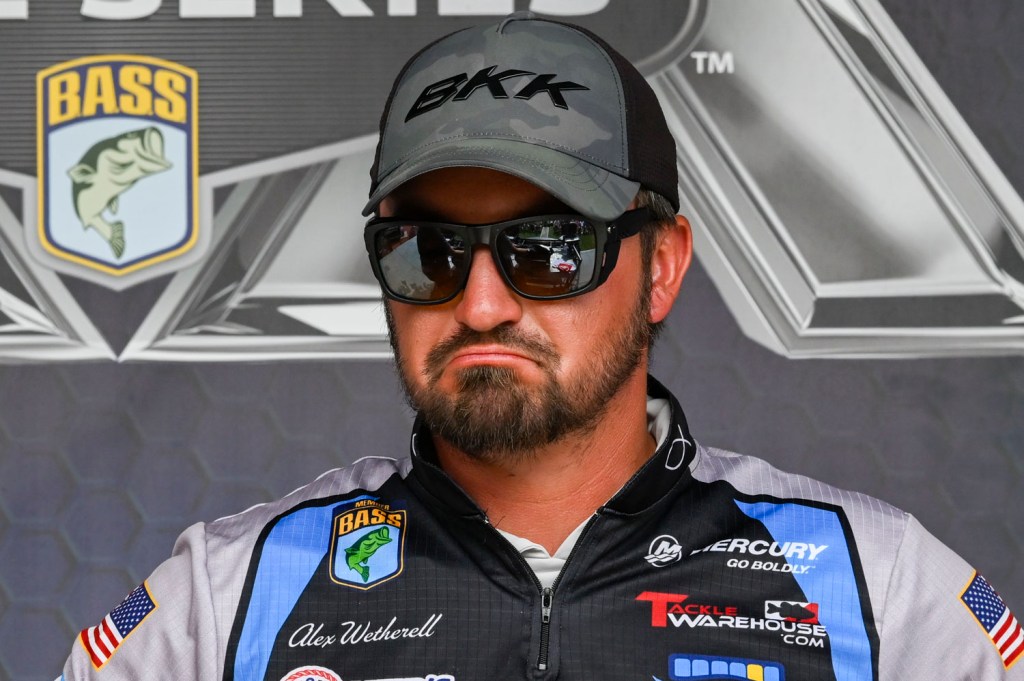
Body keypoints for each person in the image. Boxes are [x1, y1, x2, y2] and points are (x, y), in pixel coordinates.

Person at [59, 12, 1022, 681]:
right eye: (429, 250)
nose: (480, 305)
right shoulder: (223, 601)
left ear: (661, 265)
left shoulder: (878, 586)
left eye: (550, 249)